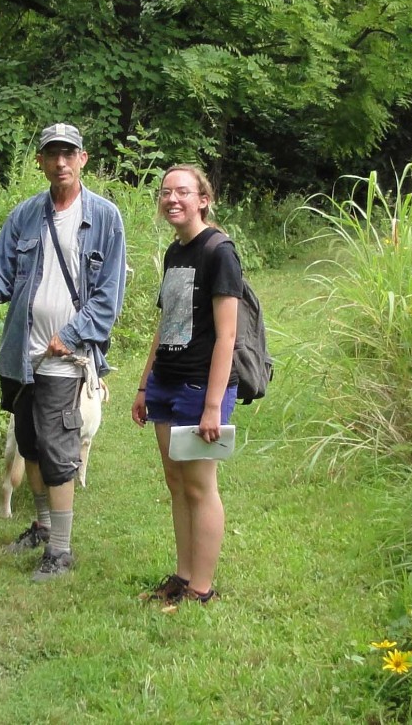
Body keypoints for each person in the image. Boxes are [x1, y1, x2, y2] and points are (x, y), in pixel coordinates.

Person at [0, 123, 127, 581]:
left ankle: (61, 553)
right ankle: (43, 527)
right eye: (52, 154)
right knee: (30, 445)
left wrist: (73, 333)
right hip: (22, 357)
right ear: (41, 162)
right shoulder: (25, 216)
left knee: (59, 452)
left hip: (67, 360)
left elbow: (110, 294)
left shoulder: (105, 218)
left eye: (69, 153)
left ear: (83, 159)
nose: (61, 162)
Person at [131, 164, 241, 606]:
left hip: (200, 388)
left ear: (203, 199)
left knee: (200, 486)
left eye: (182, 192)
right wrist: (144, 385)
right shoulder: (175, 253)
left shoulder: (219, 252)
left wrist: (213, 405)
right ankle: (182, 575)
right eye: (165, 193)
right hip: (166, 382)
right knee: (176, 483)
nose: (172, 199)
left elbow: (228, 335)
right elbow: (167, 323)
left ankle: (202, 588)